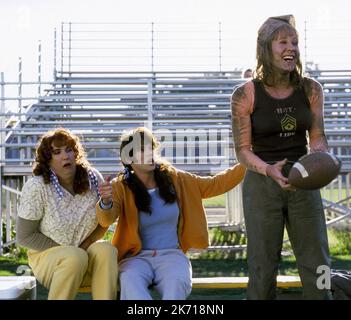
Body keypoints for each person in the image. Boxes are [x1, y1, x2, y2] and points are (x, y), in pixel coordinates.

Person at [231, 14, 331, 300]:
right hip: (262, 184)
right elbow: (243, 150)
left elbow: (318, 137)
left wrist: (320, 157)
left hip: (303, 181)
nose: (291, 48)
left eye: (295, 42)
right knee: (262, 266)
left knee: (319, 264)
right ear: (265, 47)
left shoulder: (311, 89)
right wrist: (269, 170)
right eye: (283, 42)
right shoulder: (245, 94)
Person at [96, 127, 246, 300]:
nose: (149, 153)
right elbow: (106, 220)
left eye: (151, 147)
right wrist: (106, 202)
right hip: (135, 258)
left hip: (171, 255)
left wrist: (248, 163)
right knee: (130, 281)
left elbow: (215, 184)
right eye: (141, 150)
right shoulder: (119, 186)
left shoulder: (176, 178)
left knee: (176, 285)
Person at [16, 128, 118, 300]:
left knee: (106, 249)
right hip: (49, 259)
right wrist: (72, 251)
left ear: (76, 153)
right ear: (47, 160)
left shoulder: (93, 177)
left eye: (69, 149)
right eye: (57, 152)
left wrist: (106, 202)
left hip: (85, 253)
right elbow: (24, 236)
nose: (65, 156)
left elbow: (105, 223)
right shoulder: (37, 186)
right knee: (74, 257)